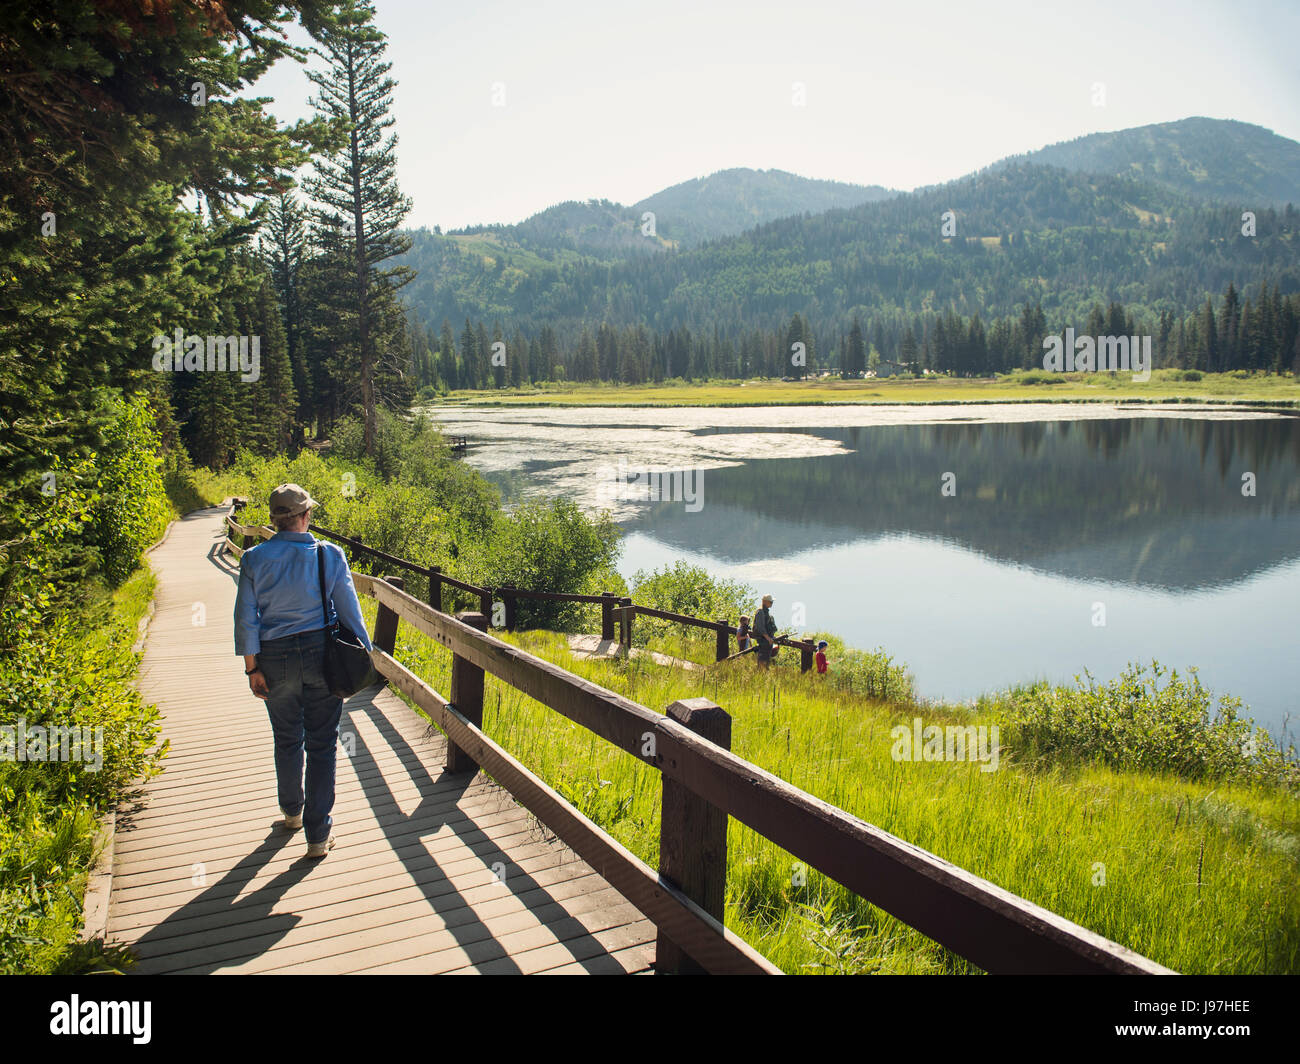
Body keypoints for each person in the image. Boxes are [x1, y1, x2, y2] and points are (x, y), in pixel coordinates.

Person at [233, 483, 373, 859]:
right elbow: (349, 611)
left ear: (275, 520)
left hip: (274, 658)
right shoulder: (328, 555)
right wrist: (364, 656)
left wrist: (252, 669)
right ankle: (317, 835)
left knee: (286, 737)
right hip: (320, 655)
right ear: (305, 516)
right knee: (323, 744)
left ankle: (291, 812)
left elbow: (246, 619)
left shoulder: (254, 559)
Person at [751, 594, 777, 668]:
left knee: (766, 658)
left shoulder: (765, 612)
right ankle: (761, 673)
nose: (772, 603)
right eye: (770, 602)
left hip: (767, 639)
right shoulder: (761, 612)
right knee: (763, 658)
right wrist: (768, 638)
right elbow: (760, 627)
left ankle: (763, 672)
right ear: (764, 602)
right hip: (764, 639)